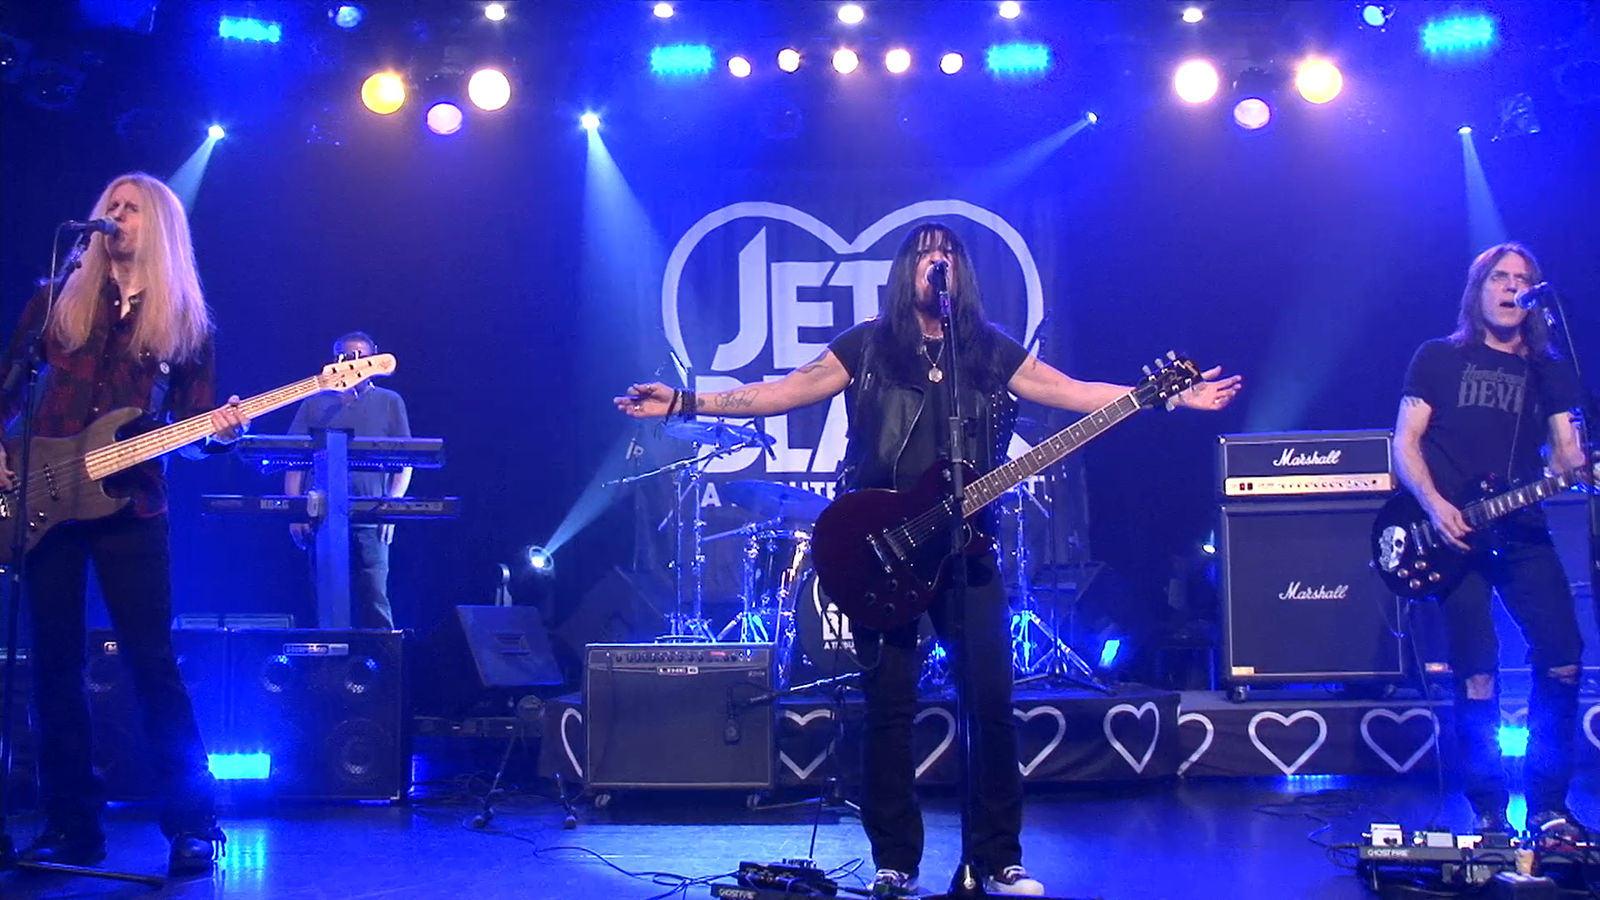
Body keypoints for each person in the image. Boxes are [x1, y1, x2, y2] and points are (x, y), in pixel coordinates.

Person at [616, 223, 1242, 896]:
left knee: (990, 704)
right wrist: (685, 401)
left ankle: (998, 858)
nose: (935, 261)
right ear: (904, 270)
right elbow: (783, 391)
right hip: (883, 545)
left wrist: (1162, 395)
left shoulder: (988, 349)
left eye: (946, 253)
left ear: (960, 270)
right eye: (923, 253)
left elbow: (1071, 391)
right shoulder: (868, 345)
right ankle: (896, 860)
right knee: (889, 707)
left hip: (967, 550)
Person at [0, 172, 246, 876]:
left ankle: (192, 824)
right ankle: (71, 825)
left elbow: (193, 427)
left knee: (152, 663)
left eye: (131, 208)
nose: (116, 216)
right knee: (54, 667)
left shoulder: (185, 323)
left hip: (132, 504)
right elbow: (9, 384)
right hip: (44, 500)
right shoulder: (57, 301)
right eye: (110, 205)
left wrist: (220, 434)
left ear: (159, 225)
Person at [1392, 242, 1590, 844]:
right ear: (1477, 289)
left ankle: (1550, 808)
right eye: (1499, 278)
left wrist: (1579, 466)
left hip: (1522, 527)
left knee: (1563, 657)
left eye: (1522, 279)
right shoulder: (1438, 357)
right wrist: (1436, 506)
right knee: (1475, 670)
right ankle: (1488, 809)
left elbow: (1567, 458)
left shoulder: (1551, 369)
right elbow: (1405, 442)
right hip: (1450, 533)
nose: (1511, 288)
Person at [283, 331, 412, 630]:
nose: (351, 363)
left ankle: (382, 656)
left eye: (359, 357)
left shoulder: (389, 401)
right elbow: (294, 459)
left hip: (372, 517)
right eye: (343, 356)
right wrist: (295, 512)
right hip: (323, 517)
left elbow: (405, 460)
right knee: (327, 600)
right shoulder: (315, 403)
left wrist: (391, 510)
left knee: (375, 596)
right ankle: (331, 656)